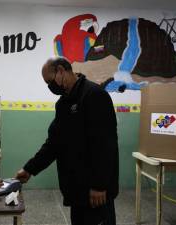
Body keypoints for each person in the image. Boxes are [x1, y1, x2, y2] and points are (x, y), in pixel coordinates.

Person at [15, 57, 119, 225]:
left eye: (50, 81)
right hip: (76, 189)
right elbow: (54, 143)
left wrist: (99, 185)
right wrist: (29, 169)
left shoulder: (95, 95)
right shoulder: (63, 104)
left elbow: (105, 145)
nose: (50, 87)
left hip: (96, 192)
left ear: (61, 71)